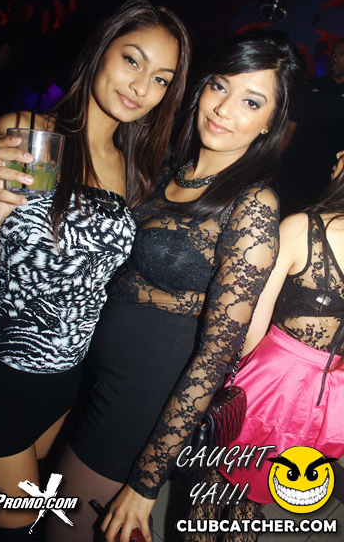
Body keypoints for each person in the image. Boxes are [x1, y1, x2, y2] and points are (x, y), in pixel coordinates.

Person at [42, 29, 305, 542]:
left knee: (62, 529)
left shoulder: (253, 205)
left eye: (251, 101)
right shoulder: (166, 168)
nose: (223, 109)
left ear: (270, 122)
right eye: (220, 86)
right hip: (85, 376)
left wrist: (146, 481)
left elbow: (217, 354)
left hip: (141, 404)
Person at [0, 0, 191, 542]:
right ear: (101, 49)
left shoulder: (138, 171)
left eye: (161, 79)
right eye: (132, 60)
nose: (141, 86)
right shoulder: (24, 134)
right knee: (14, 522)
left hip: (69, 380)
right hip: (0, 371)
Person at [182, 150, 344, 542]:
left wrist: (232, 378)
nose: (338, 153)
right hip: (327, 399)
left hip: (273, 381)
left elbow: (252, 322)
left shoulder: (305, 228)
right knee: (252, 502)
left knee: (213, 490)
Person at [277, 37, 344, 218]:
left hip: (329, 178)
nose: (335, 58)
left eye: (341, 54)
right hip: (297, 170)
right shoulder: (311, 87)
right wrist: (271, 161)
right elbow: (288, 130)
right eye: (334, 53)